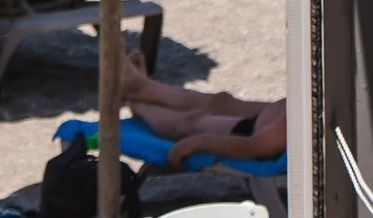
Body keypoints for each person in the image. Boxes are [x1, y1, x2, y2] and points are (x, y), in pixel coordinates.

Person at [110, 67, 288, 167]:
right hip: (274, 116)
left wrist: (199, 142)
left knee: (192, 123)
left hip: (253, 132)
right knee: (222, 103)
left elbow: (256, 147)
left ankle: (142, 106)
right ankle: (144, 89)